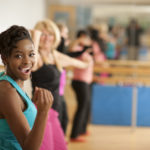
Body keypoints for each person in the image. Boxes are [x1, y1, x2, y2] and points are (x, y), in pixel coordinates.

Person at [31, 19, 88, 136]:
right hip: (42, 109)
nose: (47, 38)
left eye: (50, 34)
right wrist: (35, 36)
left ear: (55, 36)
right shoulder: (37, 57)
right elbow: (33, 60)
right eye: (43, 34)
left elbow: (75, 62)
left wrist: (88, 62)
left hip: (57, 105)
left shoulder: (55, 55)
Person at [0, 25, 53, 150]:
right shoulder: (7, 91)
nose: (27, 61)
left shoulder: (13, 82)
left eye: (31, 54)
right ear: (5, 58)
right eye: (18, 56)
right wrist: (43, 112)